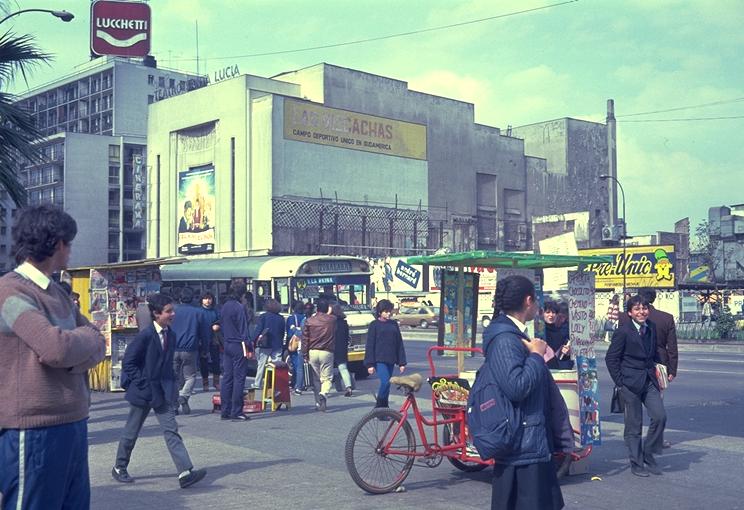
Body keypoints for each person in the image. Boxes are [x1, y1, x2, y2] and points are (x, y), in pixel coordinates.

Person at [0, 205, 106, 509]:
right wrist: (78, 346)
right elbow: (54, 348)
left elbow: (98, 341)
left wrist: (74, 350)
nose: (70, 252)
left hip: (73, 421)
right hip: (32, 429)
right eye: (69, 244)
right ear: (57, 243)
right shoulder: (10, 291)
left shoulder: (56, 292)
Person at [483, 275, 565, 510]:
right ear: (529, 300)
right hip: (521, 445)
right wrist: (537, 355)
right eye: (537, 300)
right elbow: (516, 387)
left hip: (531, 439)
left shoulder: (514, 334)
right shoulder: (505, 339)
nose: (538, 306)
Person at [112, 293, 207, 488]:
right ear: (156, 314)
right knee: (132, 431)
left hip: (162, 392)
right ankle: (119, 467)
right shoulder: (145, 336)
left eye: (172, 310)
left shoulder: (170, 334)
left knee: (171, 430)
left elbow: (167, 365)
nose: (172, 314)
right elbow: (129, 362)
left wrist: (173, 389)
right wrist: (142, 383)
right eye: (168, 311)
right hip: (144, 391)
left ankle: (185, 472)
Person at [605, 295, 666, 477]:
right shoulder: (623, 331)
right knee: (634, 426)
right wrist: (621, 382)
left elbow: (654, 353)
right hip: (630, 384)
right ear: (630, 313)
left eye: (644, 308)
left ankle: (648, 452)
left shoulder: (651, 327)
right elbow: (611, 358)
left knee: (660, 417)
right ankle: (636, 463)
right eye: (637, 309)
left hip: (649, 381)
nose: (642, 312)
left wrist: (661, 373)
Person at [638, 287, 677, 449]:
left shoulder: (628, 317)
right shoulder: (665, 318)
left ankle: (631, 438)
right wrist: (672, 370)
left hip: (633, 367)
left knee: (631, 406)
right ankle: (657, 439)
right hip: (659, 366)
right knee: (658, 406)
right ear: (654, 298)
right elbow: (672, 347)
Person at [364, 299, 407, 409]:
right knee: (385, 382)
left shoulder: (393, 324)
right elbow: (370, 345)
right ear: (380, 312)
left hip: (391, 359)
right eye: (386, 311)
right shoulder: (374, 325)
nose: (388, 313)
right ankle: (379, 407)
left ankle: (384, 409)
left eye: (389, 311)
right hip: (379, 359)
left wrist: (402, 362)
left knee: (387, 386)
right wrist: (370, 364)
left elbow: (399, 343)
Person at [171, 287, 208, 415]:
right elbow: (204, 333)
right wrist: (205, 349)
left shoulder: (172, 311)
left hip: (173, 348)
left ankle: (174, 405)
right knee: (190, 376)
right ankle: (184, 396)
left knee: (173, 377)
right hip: (190, 348)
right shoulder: (198, 313)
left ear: (180, 298)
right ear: (193, 298)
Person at [219, 281, 253, 421]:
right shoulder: (239, 307)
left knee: (227, 377)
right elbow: (244, 330)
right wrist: (249, 347)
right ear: (243, 293)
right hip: (238, 344)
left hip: (227, 343)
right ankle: (237, 410)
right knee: (239, 378)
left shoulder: (224, 306)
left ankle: (224, 410)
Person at [302, 298, 337, 412]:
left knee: (316, 379)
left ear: (317, 308)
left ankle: (318, 403)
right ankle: (323, 394)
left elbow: (305, 339)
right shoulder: (332, 320)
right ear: (327, 308)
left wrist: (305, 354)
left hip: (312, 351)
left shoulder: (309, 321)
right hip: (327, 351)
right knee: (327, 379)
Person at [252, 298, 286, 390]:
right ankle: (276, 384)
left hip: (265, 344)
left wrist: (252, 340)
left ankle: (257, 383)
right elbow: (282, 332)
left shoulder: (263, 316)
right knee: (277, 365)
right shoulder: (281, 318)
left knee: (261, 364)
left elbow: (258, 330)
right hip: (277, 344)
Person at [199, 292, 222, 391]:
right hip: (202, 339)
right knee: (203, 362)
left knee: (216, 361)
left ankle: (216, 382)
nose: (207, 301)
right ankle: (205, 383)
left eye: (209, 298)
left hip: (214, 340)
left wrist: (218, 326)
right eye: (205, 298)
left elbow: (220, 321)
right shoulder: (198, 311)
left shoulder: (215, 311)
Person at [332, 303, 354, 397]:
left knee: (329, 370)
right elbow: (346, 337)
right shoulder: (344, 323)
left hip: (331, 348)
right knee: (343, 368)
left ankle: (325, 390)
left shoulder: (330, 323)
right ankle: (348, 387)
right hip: (342, 348)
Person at [542, 300, 571, 369]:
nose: (551, 315)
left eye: (553, 312)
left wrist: (567, 353)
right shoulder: (539, 333)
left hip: (556, 372)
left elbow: (563, 358)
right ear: (542, 314)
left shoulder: (560, 334)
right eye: (547, 312)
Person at [286, 302, 306, 395]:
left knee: (297, 366)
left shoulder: (291, 318)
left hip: (296, 344)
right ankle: (303, 383)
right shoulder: (306, 318)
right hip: (306, 343)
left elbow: (290, 332)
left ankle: (297, 385)